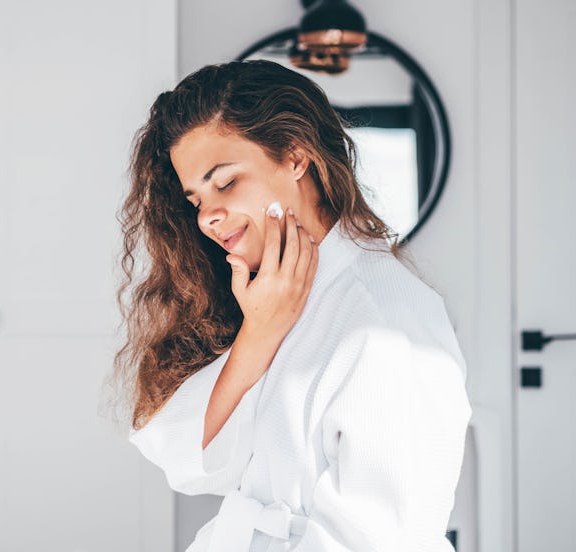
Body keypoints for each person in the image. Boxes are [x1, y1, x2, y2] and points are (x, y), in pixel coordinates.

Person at [110, 59, 472, 551]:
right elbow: (183, 456)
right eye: (195, 200)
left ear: (296, 158)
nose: (209, 218)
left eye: (226, 182)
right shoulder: (268, 300)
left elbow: (387, 537)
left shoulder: (388, 322)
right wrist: (259, 333)